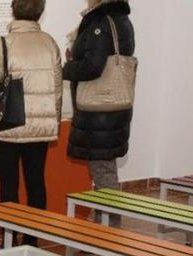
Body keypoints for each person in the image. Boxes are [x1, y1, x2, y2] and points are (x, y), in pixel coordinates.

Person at [0, 0, 62, 246]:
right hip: (39, 126)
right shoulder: (49, 43)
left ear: (13, 9)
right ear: (40, 12)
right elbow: (57, 89)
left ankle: (10, 241)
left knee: (8, 186)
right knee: (36, 183)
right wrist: (54, 122)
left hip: (8, 125)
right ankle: (32, 242)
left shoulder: (2, 44)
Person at [64, 0, 134, 222]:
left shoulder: (102, 22)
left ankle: (108, 228)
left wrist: (66, 68)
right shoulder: (121, 19)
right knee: (105, 166)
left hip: (100, 110)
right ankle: (101, 220)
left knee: (102, 170)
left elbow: (93, 66)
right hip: (113, 106)